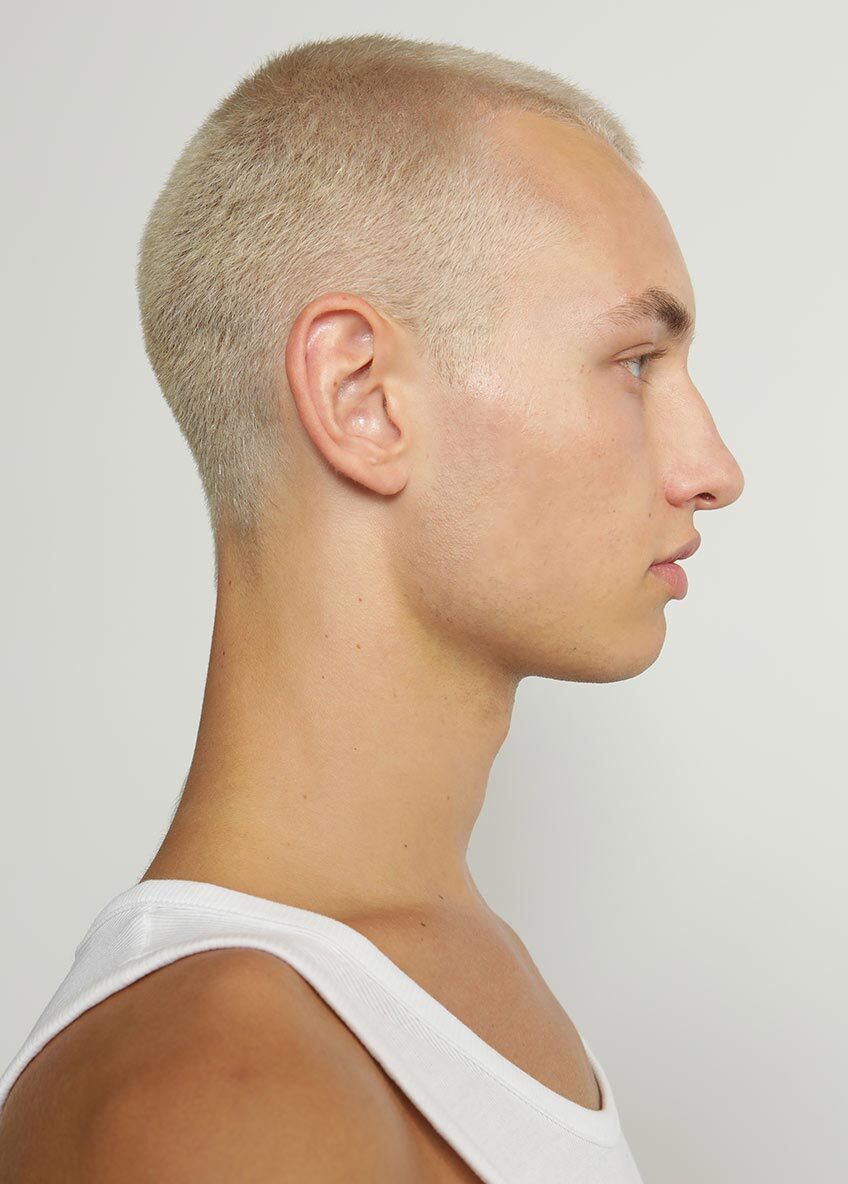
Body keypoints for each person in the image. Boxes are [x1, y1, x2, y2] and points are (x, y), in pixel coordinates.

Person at [0, 32, 743, 1183]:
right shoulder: (224, 1088)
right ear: (361, 397)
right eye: (635, 362)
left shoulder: (441, 973)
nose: (712, 469)